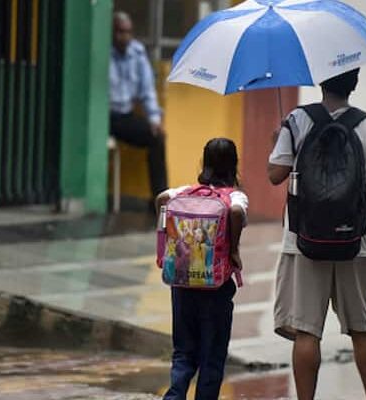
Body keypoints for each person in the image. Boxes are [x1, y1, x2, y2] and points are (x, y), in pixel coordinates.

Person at [267, 69, 366, 400]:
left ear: (321, 82)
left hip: (303, 241)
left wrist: (277, 141)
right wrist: (357, 193)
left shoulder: (296, 120)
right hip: (356, 243)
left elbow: (275, 175)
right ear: (354, 84)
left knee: (307, 333)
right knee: (363, 330)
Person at [156, 138, 248, 400]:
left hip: (182, 283)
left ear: (204, 163)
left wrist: (162, 237)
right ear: (234, 166)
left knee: (183, 351)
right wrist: (234, 249)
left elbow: (161, 198)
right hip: (216, 286)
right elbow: (237, 213)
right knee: (213, 354)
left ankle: (174, 396)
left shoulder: (185, 192)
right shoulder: (235, 196)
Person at [111, 11, 168, 207]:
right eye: (119, 32)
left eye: (127, 32)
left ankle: (159, 199)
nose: (123, 36)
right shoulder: (101, 52)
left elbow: (147, 91)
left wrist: (154, 119)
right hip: (100, 115)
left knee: (157, 138)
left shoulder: (136, 53)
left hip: (123, 116)